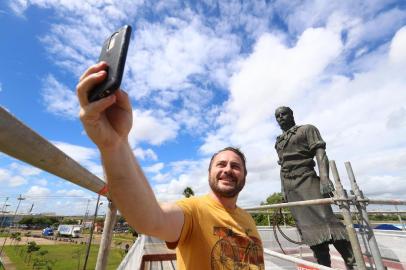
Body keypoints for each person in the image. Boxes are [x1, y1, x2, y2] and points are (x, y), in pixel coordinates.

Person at [76, 61, 265, 270]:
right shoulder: (194, 211)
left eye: (235, 166)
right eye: (221, 164)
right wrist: (114, 145)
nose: (228, 169)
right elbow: (150, 219)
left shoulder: (247, 219)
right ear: (210, 173)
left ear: (245, 175)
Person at [274, 106, 356, 269]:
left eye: (284, 114)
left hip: (308, 180)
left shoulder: (307, 129)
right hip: (291, 188)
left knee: (328, 221)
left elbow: (320, 153)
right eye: (278, 116)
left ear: (292, 115)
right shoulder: (279, 141)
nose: (281, 117)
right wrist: (284, 191)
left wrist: (325, 179)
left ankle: (353, 262)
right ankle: (323, 265)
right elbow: (282, 166)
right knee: (309, 231)